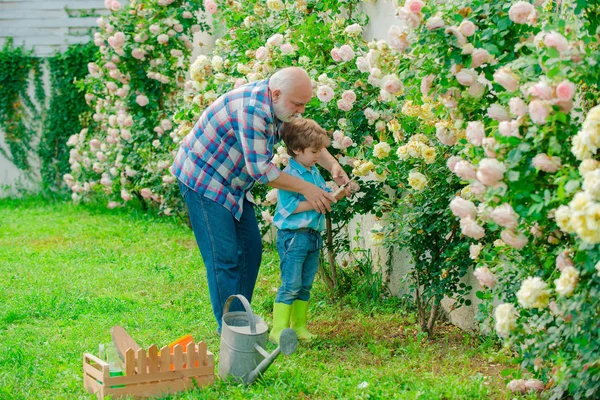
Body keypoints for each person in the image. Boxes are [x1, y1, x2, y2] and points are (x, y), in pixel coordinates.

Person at [170, 67, 350, 332]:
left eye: (304, 105)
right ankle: (231, 332)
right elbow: (262, 171)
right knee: (225, 258)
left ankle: (240, 320)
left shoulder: (280, 105)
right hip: (203, 178)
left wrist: (332, 164)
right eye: (297, 104)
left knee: (251, 252)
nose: (301, 110)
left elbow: (304, 138)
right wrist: (307, 189)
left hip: (233, 183)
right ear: (276, 94)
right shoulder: (252, 111)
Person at [269, 118, 347, 344]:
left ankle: (299, 327)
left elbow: (322, 196)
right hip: (294, 237)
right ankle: (278, 330)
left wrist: (335, 194)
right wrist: (316, 202)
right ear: (296, 149)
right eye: (314, 151)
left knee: (305, 284)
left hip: (312, 235)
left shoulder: (313, 172)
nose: (317, 156)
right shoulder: (289, 176)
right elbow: (288, 208)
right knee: (291, 284)